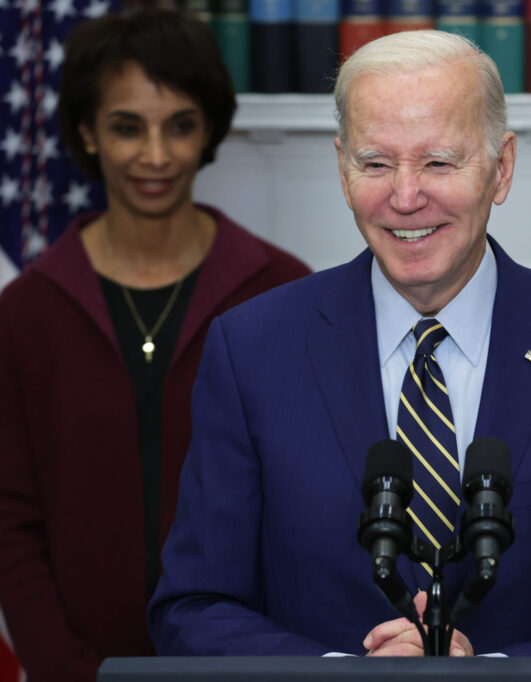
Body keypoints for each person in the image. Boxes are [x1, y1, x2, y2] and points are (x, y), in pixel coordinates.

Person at [147, 29, 531, 658]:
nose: (406, 196)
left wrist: (492, 674)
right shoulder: (250, 351)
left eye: (439, 162)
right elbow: (193, 609)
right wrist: (341, 676)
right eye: (376, 163)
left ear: (502, 169)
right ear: (342, 169)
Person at [0, 9, 310, 682]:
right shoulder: (26, 310)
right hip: (74, 671)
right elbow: (11, 519)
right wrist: (62, 668)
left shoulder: (283, 293)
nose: (157, 156)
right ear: (87, 132)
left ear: (209, 132)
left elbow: (307, 506)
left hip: (247, 667)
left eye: (180, 125)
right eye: (126, 127)